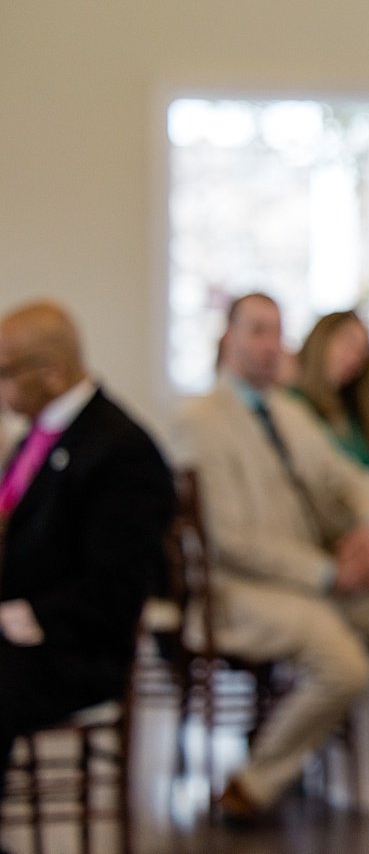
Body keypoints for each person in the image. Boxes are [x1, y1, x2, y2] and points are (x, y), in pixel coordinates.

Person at [172, 292, 369, 819]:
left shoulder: (289, 412)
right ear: (228, 337)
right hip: (240, 588)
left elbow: (350, 478)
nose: (268, 345)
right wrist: (327, 573)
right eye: (256, 330)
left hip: (312, 577)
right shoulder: (199, 420)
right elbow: (230, 539)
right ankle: (253, 784)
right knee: (344, 664)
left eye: (277, 332)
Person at [0, 300, 174, 803]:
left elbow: (115, 588)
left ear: (52, 371)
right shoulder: (40, 433)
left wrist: (21, 614)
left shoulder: (120, 449)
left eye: (7, 372)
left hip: (74, 650)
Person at [291, 309, 369, 471]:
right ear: (322, 339)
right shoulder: (291, 403)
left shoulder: (353, 412)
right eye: (348, 343)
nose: (354, 357)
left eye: (361, 352)